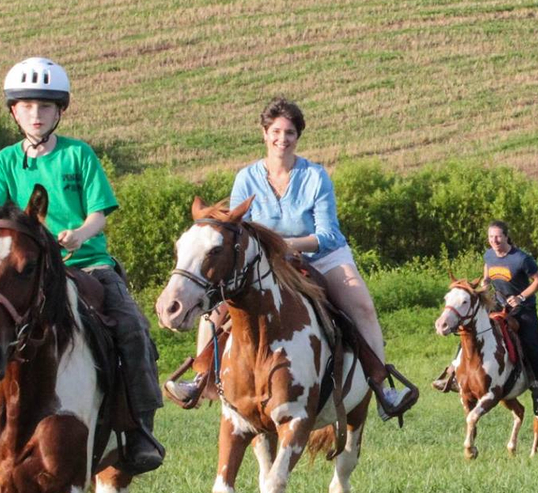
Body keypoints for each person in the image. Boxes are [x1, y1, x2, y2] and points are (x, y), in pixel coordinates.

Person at [0, 58, 165, 474]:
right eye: (27, 106)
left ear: (59, 111)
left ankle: (140, 429)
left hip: (87, 264)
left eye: (45, 107)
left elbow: (100, 212)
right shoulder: (5, 163)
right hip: (24, 271)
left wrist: (81, 233)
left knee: (132, 328)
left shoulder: (78, 155)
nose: (36, 114)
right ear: (14, 111)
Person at [165, 99, 417, 420]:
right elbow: (237, 230)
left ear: (298, 137)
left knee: (362, 307)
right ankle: (201, 379)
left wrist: (289, 244)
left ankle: (383, 389)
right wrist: (267, 252)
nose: (282, 139)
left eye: (290, 133)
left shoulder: (315, 176)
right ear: (264, 133)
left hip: (323, 256)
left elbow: (326, 234)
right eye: (276, 132)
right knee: (215, 310)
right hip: (265, 262)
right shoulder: (246, 178)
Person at [481, 220, 538, 416]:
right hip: (498, 304)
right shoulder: (488, 255)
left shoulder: (521, 259)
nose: (494, 240)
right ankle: (453, 373)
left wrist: (521, 297)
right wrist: (481, 290)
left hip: (523, 309)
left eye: (497, 236)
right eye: (490, 237)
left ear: (506, 236)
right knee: (474, 330)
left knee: (531, 346)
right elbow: (486, 279)